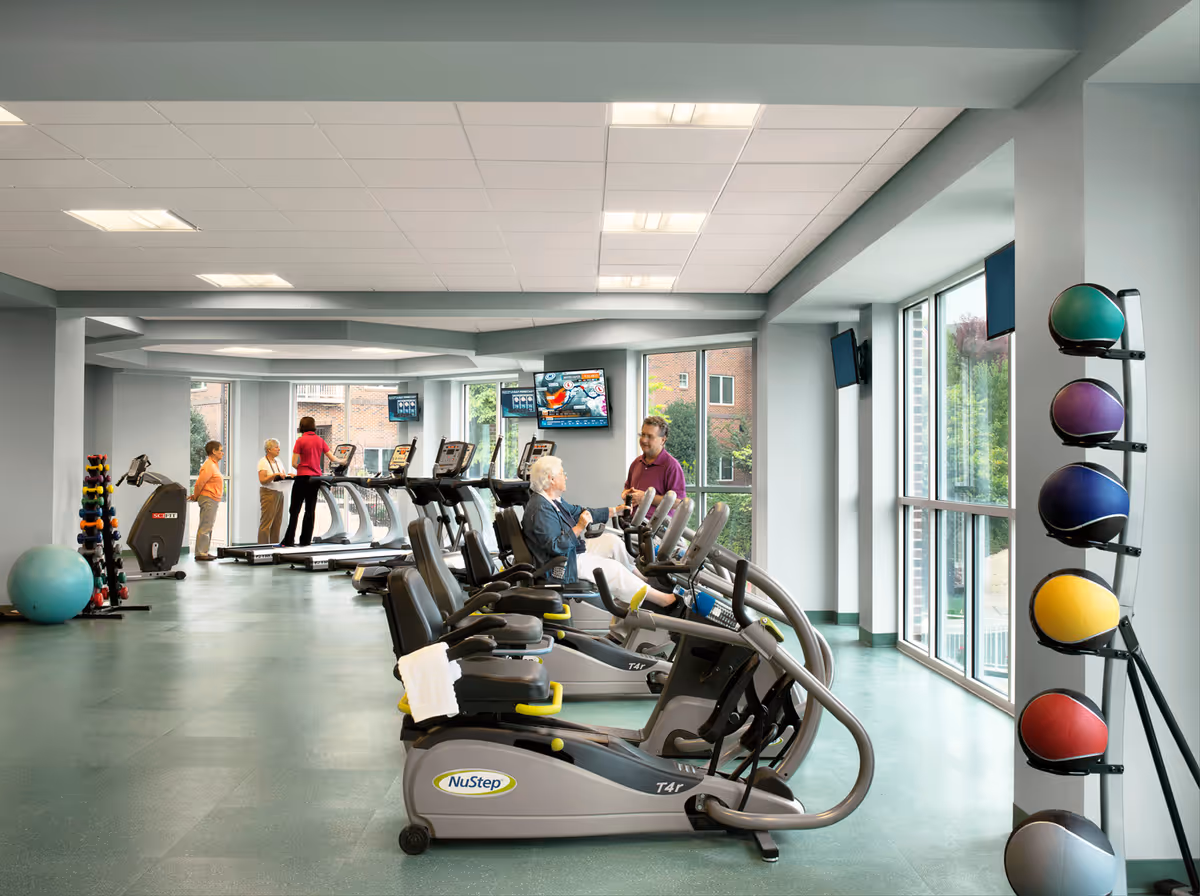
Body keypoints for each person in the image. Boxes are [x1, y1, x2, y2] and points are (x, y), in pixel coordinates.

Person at [523, 455, 677, 610]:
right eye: (563, 474)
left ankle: (643, 581)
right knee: (613, 568)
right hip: (560, 565)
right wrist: (579, 527)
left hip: (571, 552)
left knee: (612, 542)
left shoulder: (553, 501)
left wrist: (615, 511)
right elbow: (555, 547)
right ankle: (663, 601)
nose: (566, 477)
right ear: (551, 479)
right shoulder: (540, 509)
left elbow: (581, 512)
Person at [280, 417, 344, 548]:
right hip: (315, 479)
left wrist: (302, 468)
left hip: (302, 479)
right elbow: (332, 458)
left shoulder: (300, 440)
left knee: (294, 510)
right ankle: (305, 541)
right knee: (310, 511)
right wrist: (343, 461)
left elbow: (294, 463)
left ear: (302, 426)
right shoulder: (320, 440)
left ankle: (289, 540)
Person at [622, 415, 687, 511]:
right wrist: (626, 494)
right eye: (642, 435)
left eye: (650, 437)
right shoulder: (636, 463)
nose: (644, 440)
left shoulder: (672, 466)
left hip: (657, 521)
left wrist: (646, 498)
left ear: (662, 440)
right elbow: (627, 489)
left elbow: (679, 503)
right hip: (631, 519)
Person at [188, 440, 224, 561]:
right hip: (208, 498)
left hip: (212, 499)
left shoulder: (213, 465)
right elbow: (199, 483)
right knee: (205, 526)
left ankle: (204, 551)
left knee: (208, 526)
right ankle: (200, 553)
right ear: (213, 451)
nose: (222, 453)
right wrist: (195, 496)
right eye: (220, 450)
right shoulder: (208, 465)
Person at [257, 438, 293, 544]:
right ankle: (263, 547)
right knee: (266, 523)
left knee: (277, 522)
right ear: (269, 449)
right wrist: (273, 476)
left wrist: (289, 475)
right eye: (276, 447)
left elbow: (282, 475)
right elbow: (262, 480)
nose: (279, 449)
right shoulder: (263, 462)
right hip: (268, 493)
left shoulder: (278, 461)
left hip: (279, 492)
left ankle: (274, 546)